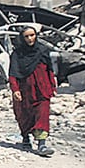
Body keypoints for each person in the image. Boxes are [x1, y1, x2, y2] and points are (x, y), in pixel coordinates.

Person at [8, 26, 57, 157]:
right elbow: (13, 74)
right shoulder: (17, 54)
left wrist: (52, 86)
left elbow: (49, 70)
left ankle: (42, 144)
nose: (30, 39)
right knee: (24, 114)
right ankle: (25, 137)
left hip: (42, 89)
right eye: (27, 36)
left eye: (32, 35)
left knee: (43, 114)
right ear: (22, 38)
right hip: (25, 90)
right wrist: (15, 89)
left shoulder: (43, 50)